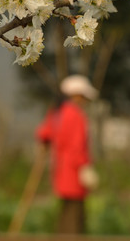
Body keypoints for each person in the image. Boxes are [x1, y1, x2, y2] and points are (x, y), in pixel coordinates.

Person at [36, 74, 99, 234]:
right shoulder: (76, 115)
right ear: (76, 95)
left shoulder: (57, 112)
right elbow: (76, 147)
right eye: (83, 97)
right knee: (75, 216)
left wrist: (46, 142)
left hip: (60, 170)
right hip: (74, 173)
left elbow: (44, 133)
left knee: (66, 213)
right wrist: (85, 169)